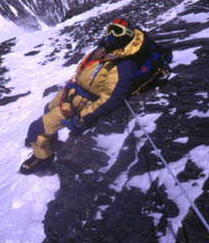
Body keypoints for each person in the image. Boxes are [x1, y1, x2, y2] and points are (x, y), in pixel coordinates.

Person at [19, 18, 146, 175]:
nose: (111, 35)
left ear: (126, 36)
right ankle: (45, 141)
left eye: (117, 31)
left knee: (34, 130)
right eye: (110, 29)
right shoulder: (106, 50)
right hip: (73, 92)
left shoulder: (123, 64)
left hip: (80, 104)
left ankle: (44, 159)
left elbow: (111, 98)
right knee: (47, 108)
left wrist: (82, 118)